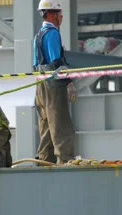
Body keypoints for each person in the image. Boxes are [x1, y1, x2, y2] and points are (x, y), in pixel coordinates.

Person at [32, 0, 77, 165]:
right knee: (60, 124)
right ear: (51, 14)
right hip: (53, 83)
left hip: (40, 83)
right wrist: (69, 83)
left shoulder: (38, 35)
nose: (61, 17)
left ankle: (45, 162)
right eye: (59, 13)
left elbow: (36, 63)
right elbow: (56, 61)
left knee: (46, 126)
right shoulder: (52, 33)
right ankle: (66, 161)